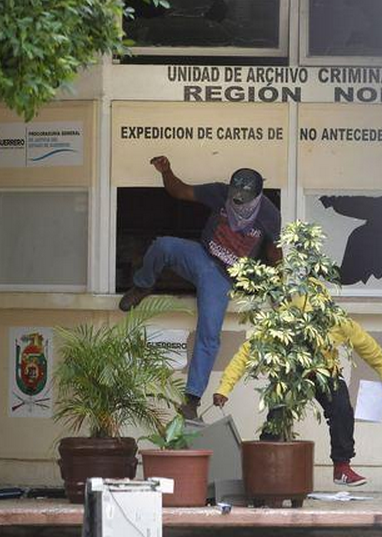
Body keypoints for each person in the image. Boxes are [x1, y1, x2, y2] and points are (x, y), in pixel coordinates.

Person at [119, 155, 282, 420]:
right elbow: (180, 191)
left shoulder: (269, 215)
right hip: (201, 256)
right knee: (163, 245)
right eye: (234, 197)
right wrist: (166, 171)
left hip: (223, 276)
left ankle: (192, 400)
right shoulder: (220, 192)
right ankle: (142, 286)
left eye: (243, 200)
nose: (237, 203)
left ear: (257, 197)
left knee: (209, 333)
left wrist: (278, 290)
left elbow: (275, 254)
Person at [212, 294, 382, 486]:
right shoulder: (278, 324)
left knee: (342, 409)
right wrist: (224, 388)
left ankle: (342, 468)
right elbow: (245, 354)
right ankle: (264, 474)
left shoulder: (337, 320)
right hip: (290, 372)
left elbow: (365, 344)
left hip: (326, 369)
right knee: (277, 418)